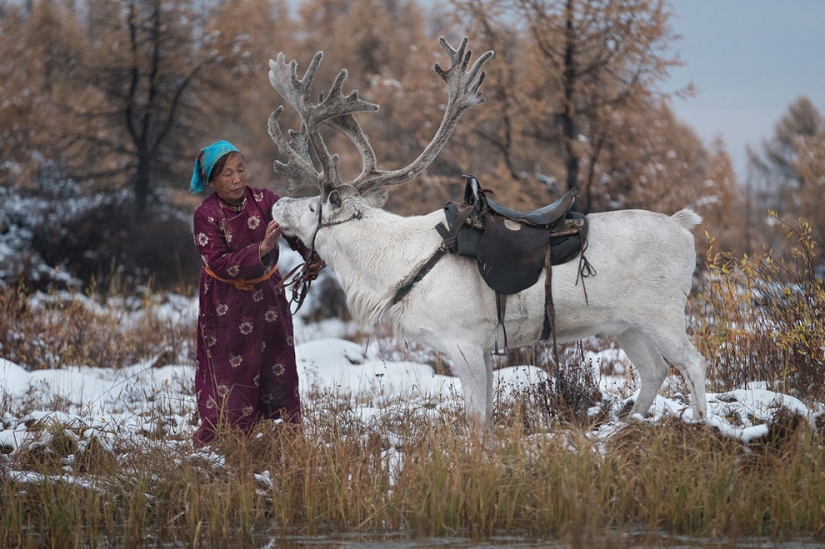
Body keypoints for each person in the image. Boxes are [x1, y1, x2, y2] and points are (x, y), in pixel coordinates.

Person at [189, 140, 322, 447]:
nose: (237, 178)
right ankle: (229, 444)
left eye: (240, 169)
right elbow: (218, 262)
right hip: (226, 304)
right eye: (227, 174)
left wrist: (311, 256)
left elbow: (296, 228)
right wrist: (262, 248)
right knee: (231, 372)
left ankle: (284, 439)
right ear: (211, 180)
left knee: (278, 365)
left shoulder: (265, 200)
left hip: (269, 298)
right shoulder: (205, 215)